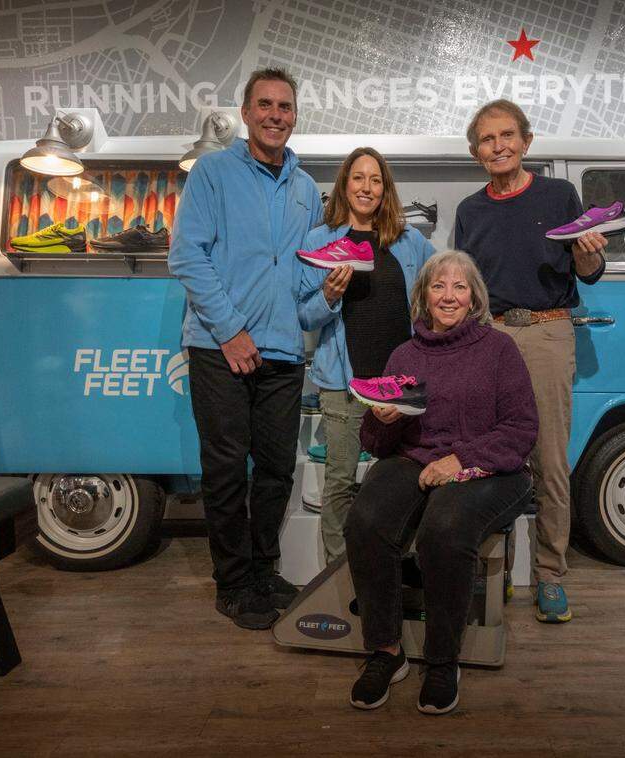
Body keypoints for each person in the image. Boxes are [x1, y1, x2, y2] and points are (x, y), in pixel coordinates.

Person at [344, 250, 538, 715]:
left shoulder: (500, 350)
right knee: (365, 522)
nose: (448, 296)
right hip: (417, 458)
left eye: (459, 287)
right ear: (423, 296)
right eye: (438, 286)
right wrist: (384, 419)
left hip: (489, 465)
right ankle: (386, 653)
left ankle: (442, 660)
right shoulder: (404, 354)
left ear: (474, 298)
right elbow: (375, 441)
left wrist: (461, 460)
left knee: (444, 531)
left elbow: (520, 430)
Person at [168, 68, 323, 630]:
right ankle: (232, 583)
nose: (275, 115)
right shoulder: (212, 172)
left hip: (283, 351)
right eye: (265, 104)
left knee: (278, 468)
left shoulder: (306, 189)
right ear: (245, 111)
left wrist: (326, 290)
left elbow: (304, 273)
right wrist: (231, 332)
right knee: (228, 469)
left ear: (295, 114)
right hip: (219, 347)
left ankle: (262, 569)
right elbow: (187, 256)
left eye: (285, 106)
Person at [454, 99, 607, 624]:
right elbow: (466, 287)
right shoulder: (470, 211)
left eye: (507, 136)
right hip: (490, 336)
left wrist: (589, 254)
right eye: (487, 139)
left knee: (548, 460)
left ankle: (550, 575)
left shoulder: (560, 195)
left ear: (526, 141)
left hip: (546, 333)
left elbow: (588, 270)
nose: (498, 146)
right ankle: (493, 570)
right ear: (476, 151)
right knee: (486, 456)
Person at [298, 147, 434, 565]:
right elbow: (305, 315)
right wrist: (329, 295)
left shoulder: (410, 241)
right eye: (358, 177)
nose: (367, 187)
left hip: (399, 386)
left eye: (375, 180)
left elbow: (433, 303)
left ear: (385, 189)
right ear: (345, 184)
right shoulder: (318, 241)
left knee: (406, 480)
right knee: (340, 482)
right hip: (344, 383)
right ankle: (340, 575)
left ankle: (399, 566)